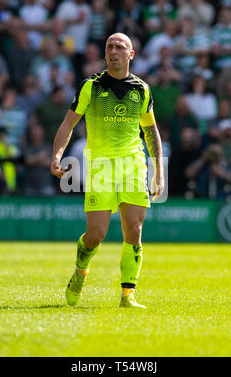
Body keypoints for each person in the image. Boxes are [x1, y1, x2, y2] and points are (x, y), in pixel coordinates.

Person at [51, 33, 164, 309]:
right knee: (96, 235)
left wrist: (159, 170)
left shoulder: (142, 89)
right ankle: (80, 269)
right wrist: (56, 155)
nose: (113, 51)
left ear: (131, 54)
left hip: (133, 164)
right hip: (100, 166)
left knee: (134, 230)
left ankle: (128, 295)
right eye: (109, 47)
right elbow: (68, 124)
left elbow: (150, 131)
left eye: (120, 47)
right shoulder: (91, 86)